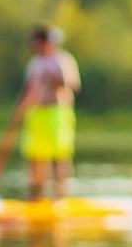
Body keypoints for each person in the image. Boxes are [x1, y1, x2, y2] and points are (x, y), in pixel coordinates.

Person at [8, 24, 81, 201]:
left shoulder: (63, 60)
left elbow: (74, 85)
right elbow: (27, 89)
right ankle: (36, 195)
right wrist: (18, 110)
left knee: (59, 154)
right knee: (34, 155)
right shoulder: (34, 63)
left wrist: (56, 78)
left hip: (57, 113)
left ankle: (60, 195)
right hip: (36, 114)